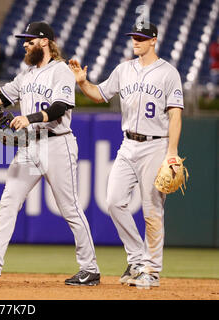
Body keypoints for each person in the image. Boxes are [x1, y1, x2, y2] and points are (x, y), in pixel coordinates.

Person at [0, 21, 100, 286]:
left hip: (57, 143)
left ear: (45, 42)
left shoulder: (61, 71)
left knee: (69, 207)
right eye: (24, 40)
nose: (24, 44)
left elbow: (60, 106)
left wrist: (30, 117)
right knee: (8, 202)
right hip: (30, 145)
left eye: (29, 40)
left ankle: (90, 268)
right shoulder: (26, 75)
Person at [68, 22, 184, 288]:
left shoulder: (168, 73)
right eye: (134, 37)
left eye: (142, 38)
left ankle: (151, 271)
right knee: (113, 201)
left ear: (154, 40)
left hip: (156, 145)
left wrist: (172, 152)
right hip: (128, 143)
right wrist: (83, 82)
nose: (136, 41)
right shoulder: (123, 69)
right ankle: (136, 259)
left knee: (151, 210)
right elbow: (99, 94)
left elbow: (175, 115)